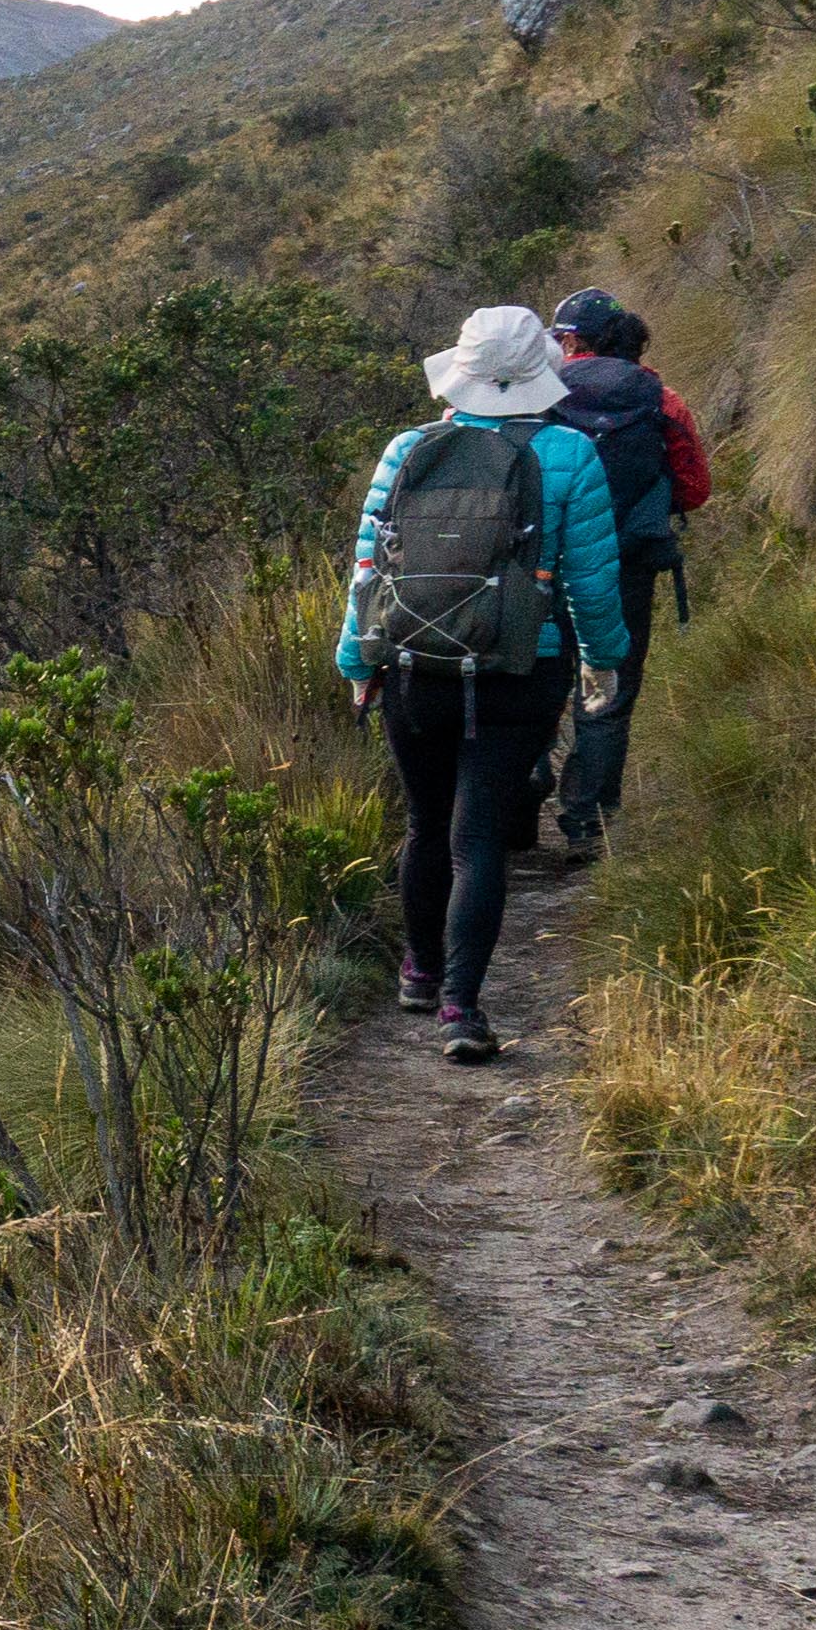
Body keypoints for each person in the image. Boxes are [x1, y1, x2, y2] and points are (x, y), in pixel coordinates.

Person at [339, 298, 634, 1063]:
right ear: (541, 368)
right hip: (517, 670)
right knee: (478, 842)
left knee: (425, 823)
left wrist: (356, 663)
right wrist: (603, 661)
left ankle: (419, 970)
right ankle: (462, 1009)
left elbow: (369, 571)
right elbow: (592, 584)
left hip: (413, 668)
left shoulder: (409, 448)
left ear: (460, 371)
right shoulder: (570, 455)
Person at [533, 287, 707, 861]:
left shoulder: (538, 392)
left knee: (536, 678)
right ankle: (587, 821)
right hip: (626, 562)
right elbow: (695, 487)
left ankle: (519, 797)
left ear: (575, 340)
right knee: (609, 684)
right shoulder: (660, 395)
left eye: (559, 336)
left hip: (543, 564)